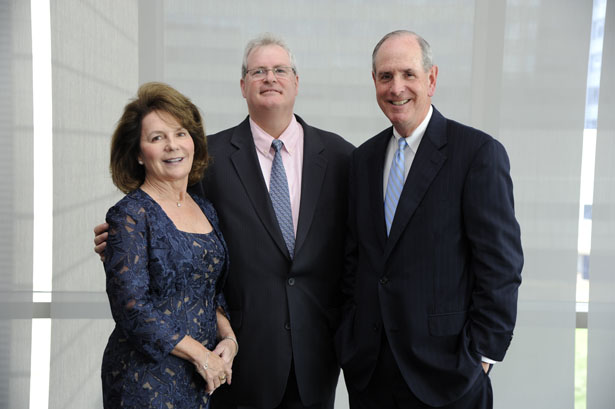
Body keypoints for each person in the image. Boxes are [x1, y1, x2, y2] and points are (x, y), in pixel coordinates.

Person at [95, 34, 354, 409]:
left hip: (314, 353)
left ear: (296, 81)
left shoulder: (343, 157)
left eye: (280, 69)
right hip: (234, 363)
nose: (270, 78)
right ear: (243, 86)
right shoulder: (207, 159)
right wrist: (121, 240)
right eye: (258, 71)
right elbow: (162, 212)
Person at [335, 30, 523, 409]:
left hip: (450, 376)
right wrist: (349, 341)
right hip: (371, 376)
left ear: (431, 79)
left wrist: (481, 357)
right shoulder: (363, 160)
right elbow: (355, 260)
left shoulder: (477, 154)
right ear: (374, 82)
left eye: (408, 74)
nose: (396, 87)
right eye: (385, 76)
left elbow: (500, 265)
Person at [101, 82, 238, 409]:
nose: (172, 146)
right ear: (137, 153)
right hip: (146, 377)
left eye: (180, 133)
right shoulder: (129, 215)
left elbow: (210, 290)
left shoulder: (205, 209)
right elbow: (132, 309)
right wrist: (202, 355)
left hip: (198, 375)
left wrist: (229, 341)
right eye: (157, 137)